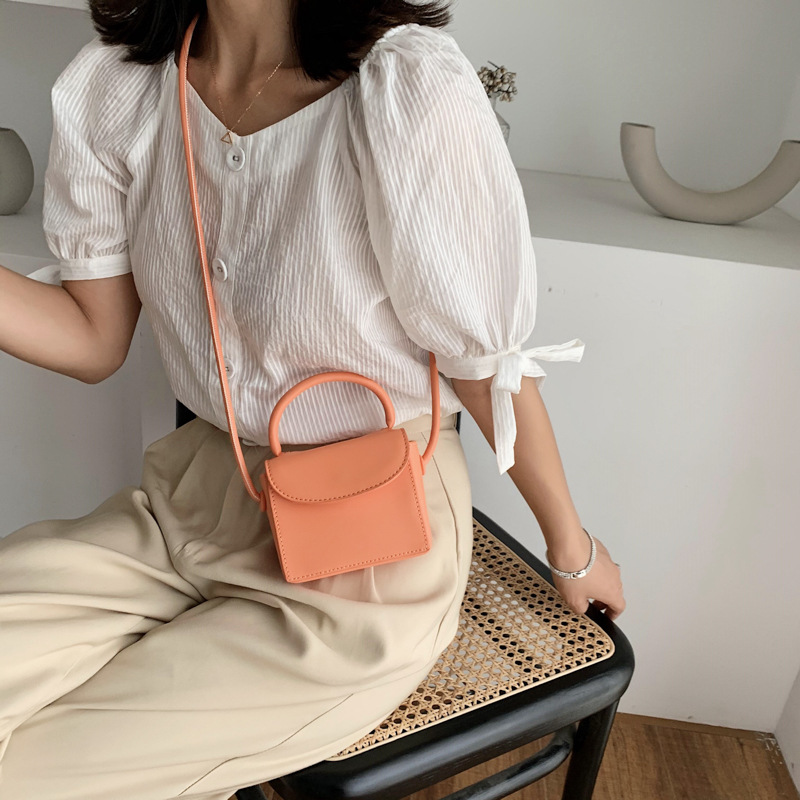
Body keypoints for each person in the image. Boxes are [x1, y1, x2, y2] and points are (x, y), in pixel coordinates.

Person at [0, 0, 625, 797]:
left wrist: (572, 547)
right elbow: (93, 338)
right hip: (189, 505)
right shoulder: (119, 86)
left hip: (369, 560)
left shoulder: (403, 88)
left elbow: (484, 362)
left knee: (36, 777)